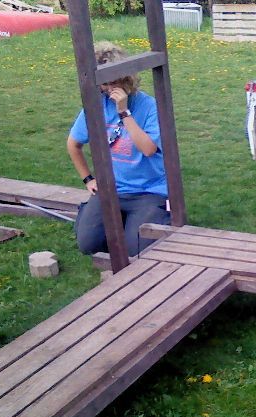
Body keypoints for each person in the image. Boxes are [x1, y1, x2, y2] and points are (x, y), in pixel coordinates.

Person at [67, 41, 170, 256]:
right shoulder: (96, 105)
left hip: (148, 191)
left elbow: (149, 149)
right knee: (88, 244)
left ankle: (156, 216)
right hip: (112, 189)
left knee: (136, 251)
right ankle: (110, 219)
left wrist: (124, 113)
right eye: (104, 84)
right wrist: (88, 179)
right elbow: (73, 144)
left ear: (126, 78)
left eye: (114, 82)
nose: (109, 89)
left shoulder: (148, 106)